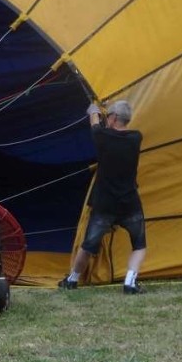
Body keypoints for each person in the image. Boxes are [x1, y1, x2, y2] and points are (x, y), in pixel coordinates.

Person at [59, 100, 147, 294]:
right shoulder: (136, 138)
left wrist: (95, 106)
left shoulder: (102, 137)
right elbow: (107, 126)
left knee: (88, 246)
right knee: (139, 245)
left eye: (110, 116)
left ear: (113, 118)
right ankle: (130, 282)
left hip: (105, 203)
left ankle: (72, 280)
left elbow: (93, 118)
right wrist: (107, 110)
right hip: (129, 202)